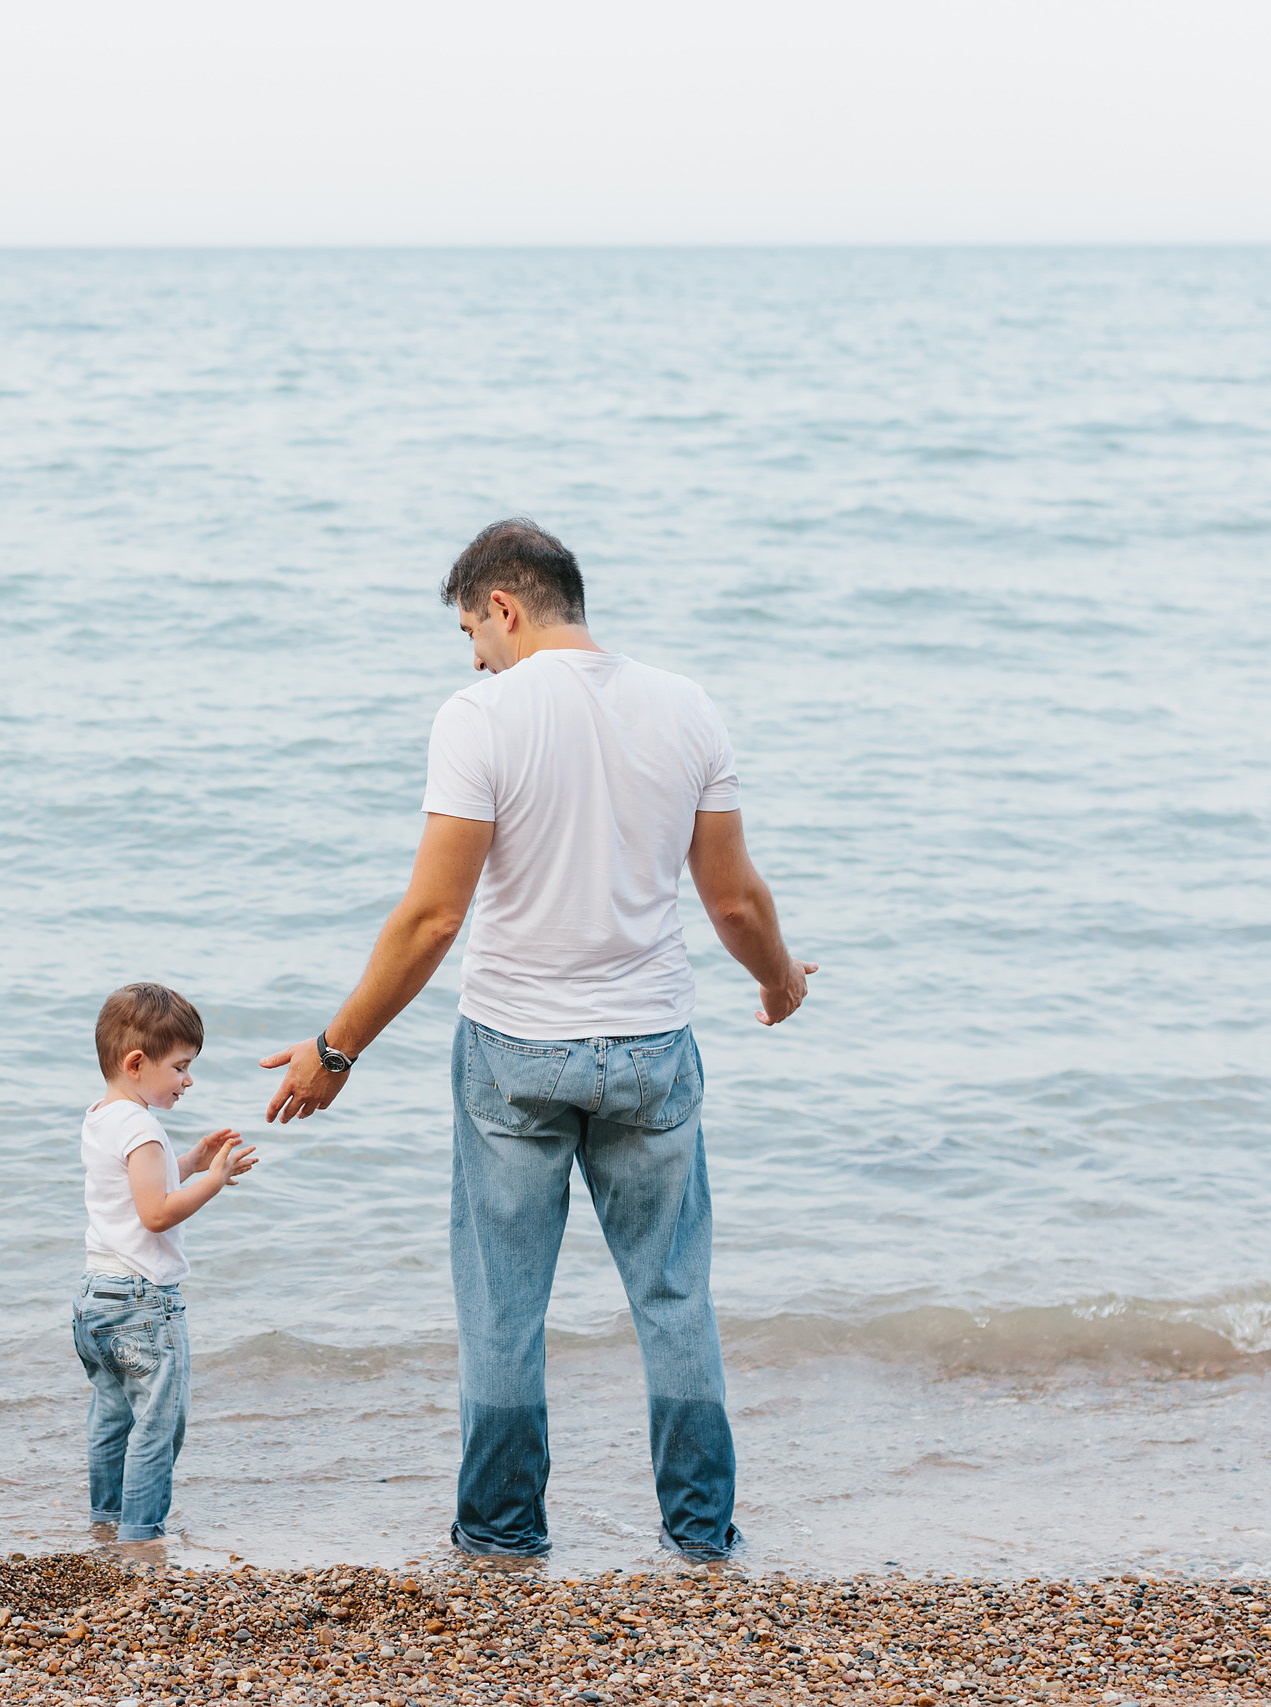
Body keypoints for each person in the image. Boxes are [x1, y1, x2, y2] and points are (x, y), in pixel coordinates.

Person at [260, 519, 815, 1563]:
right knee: (673, 1298)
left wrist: (334, 1051)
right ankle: (700, 1536)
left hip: (515, 1053)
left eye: (472, 628)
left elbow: (430, 919)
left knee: (503, 1306)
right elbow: (734, 900)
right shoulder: (687, 705)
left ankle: (503, 1535)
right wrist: (779, 982)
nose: (473, 654)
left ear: (504, 607)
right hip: (650, 1047)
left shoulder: (480, 717)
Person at [76, 981, 259, 1543]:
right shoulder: (142, 1127)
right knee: (157, 1425)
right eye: (180, 1067)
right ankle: (141, 1534)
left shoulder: (102, 1117)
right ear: (137, 1062)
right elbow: (156, 1213)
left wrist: (191, 1159)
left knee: (111, 1417)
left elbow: (138, 1187)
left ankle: (106, 1521)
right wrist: (215, 1179)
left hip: (95, 1297)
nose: (188, 1080)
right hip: (143, 1303)